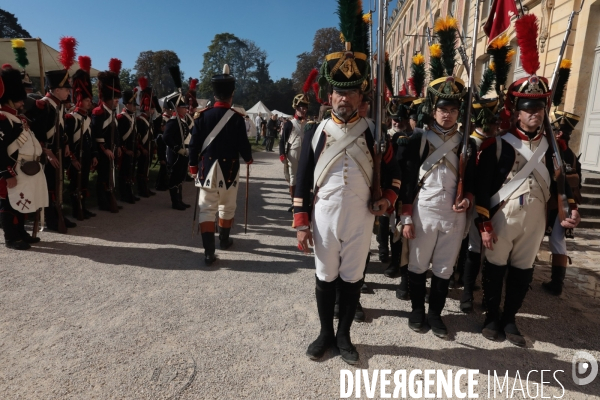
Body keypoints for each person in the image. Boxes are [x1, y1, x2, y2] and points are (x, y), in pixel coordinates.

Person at [295, 18, 400, 364]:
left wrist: (387, 198)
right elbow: (302, 179)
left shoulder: (374, 133)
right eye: (339, 91)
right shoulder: (316, 131)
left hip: (361, 216)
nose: (344, 97)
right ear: (330, 95)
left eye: (351, 91)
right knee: (325, 276)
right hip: (323, 216)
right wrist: (301, 221)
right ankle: (325, 333)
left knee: (353, 276)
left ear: (360, 95)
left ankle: (344, 336)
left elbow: (395, 174)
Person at [475, 14, 580, 347]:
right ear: (515, 110)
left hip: (535, 220)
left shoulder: (556, 147)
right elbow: (483, 185)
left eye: (538, 107)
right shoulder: (498, 144)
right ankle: (491, 316)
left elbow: (567, 185)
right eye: (527, 108)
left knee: (522, 271)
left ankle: (510, 319)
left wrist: (570, 208)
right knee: (494, 268)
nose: (533, 114)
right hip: (503, 215)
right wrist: (484, 222)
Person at [188, 64, 253, 265]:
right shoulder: (237, 118)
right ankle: (224, 241)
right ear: (231, 94)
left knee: (206, 208)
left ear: (215, 95)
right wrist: (249, 158)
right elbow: (244, 144)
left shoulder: (202, 116)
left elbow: (194, 145)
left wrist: (192, 166)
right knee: (227, 206)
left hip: (207, 170)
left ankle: (208, 252)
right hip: (229, 170)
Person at [25, 42, 77, 232]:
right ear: (55, 90)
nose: (68, 92)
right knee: (49, 188)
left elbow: (59, 131)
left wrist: (65, 144)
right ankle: (51, 220)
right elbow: (34, 133)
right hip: (44, 154)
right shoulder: (43, 106)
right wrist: (46, 151)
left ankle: (59, 215)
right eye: (65, 89)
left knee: (58, 184)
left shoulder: (57, 106)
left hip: (57, 151)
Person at [0, 66, 48, 249]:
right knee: (9, 203)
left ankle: (20, 232)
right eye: (19, 99)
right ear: (10, 99)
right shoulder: (3, 118)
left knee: (22, 201)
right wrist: (7, 173)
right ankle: (11, 238)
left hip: (24, 169)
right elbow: (0, 150)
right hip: (11, 170)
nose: (23, 103)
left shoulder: (18, 118)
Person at [542, 110, 582, 296]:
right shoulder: (572, 155)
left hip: (550, 203)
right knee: (557, 241)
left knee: (538, 239)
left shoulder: (549, 150)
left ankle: (555, 282)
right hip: (564, 204)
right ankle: (557, 282)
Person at [64, 56, 97, 220]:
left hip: (86, 156)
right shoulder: (71, 118)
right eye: (86, 100)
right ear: (79, 99)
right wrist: (72, 159)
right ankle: (76, 209)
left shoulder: (88, 118)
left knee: (84, 183)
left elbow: (89, 140)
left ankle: (83, 207)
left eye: (90, 100)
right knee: (75, 184)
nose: (90, 102)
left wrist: (93, 156)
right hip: (76, 157)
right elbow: (68, 142)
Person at [91, 58, 122, 213]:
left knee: (111, 175)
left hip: (112, 150)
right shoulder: (99, 112)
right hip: (103, 151)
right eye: (115, 98)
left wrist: (117, 146)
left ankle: (110, 198)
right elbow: (96, 133)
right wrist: (105, 149)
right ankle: (103, 202)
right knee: (103, 177)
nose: (117, 101)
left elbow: (114, 132)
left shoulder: (111, 112)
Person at [162, 66, 191, 210]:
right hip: (176, 154)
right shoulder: (173, 122)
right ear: (177, 108)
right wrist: (177, 149)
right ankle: (175, 202)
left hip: (184, 154)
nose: (186, 109)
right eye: (183, 107)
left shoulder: (183, 121)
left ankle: (180, 200)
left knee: (181, 177)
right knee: (175, 178)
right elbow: (166, 138)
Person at [279, 93, 309, 212]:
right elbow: (282, 140)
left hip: (305, 153)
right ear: (296, 108)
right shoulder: (289, 124)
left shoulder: (309, 124)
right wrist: (282, 154)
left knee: (305, 178)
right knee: (294, 179)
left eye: (305, 107)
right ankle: (295, 203)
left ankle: (304, 201)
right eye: (301, 107)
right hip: (293, 153)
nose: (303, 109)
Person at [117, 89, 139, 204]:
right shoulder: (121, 118)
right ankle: (124, 194)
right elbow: (119, 137)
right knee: (124, 173)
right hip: (125, 151)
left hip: (133, 150)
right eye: (133, 104)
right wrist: (125, 150)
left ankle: (130, 192)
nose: (135, 107)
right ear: (127, 104)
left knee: (130, 172)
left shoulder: (133, 117)